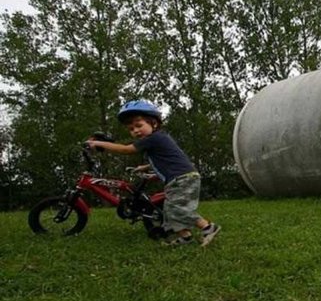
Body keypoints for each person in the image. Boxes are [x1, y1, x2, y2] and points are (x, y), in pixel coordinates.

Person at [86, 99, 221, 247]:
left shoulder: (154, 138)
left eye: (139, 125)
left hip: (183, 179)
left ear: (154, 123)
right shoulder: (157, 140)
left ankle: (208, 227)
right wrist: (145, 168)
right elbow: (165, 159)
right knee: (169, 210)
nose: (135, 130)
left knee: (178, 209)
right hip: (179, 178)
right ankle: (185, 237)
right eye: (131, 129)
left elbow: (127, 150)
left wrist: (99, 144)